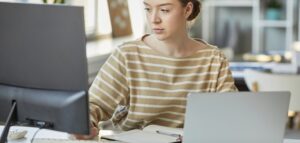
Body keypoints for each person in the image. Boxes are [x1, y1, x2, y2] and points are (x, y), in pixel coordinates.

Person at [76, 0, 238, 140]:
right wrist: (86, 124)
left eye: (164, 10)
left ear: (187, 10)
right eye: (148, 9)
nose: (154, 19)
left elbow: (232, 114)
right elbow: (93, 104)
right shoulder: (127, 55)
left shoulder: (214, 59)